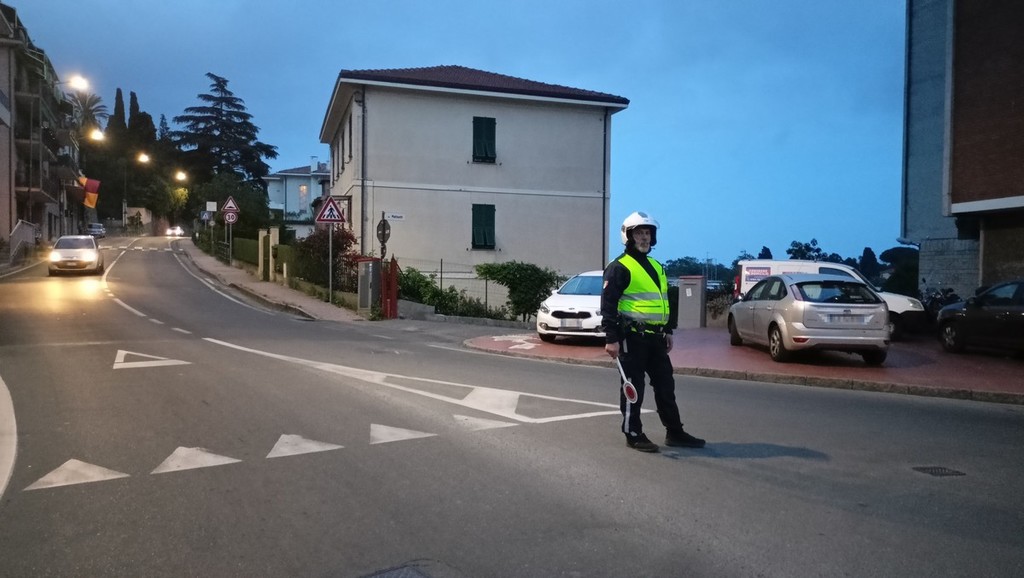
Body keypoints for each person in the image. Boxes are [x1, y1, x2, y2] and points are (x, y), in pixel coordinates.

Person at [601, 211, 706, 453]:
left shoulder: (657, 267)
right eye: (639, 233)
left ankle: (675, 432)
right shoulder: (619, 267)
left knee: (666, 385)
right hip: (632, 337)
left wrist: (667, 329)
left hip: (656, 338)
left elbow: (664, 300)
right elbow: (607, 305)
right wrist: (611, 338)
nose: (644, 237)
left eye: (648, 233)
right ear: (628, 236)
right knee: (633, 387)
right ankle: (633, 433)